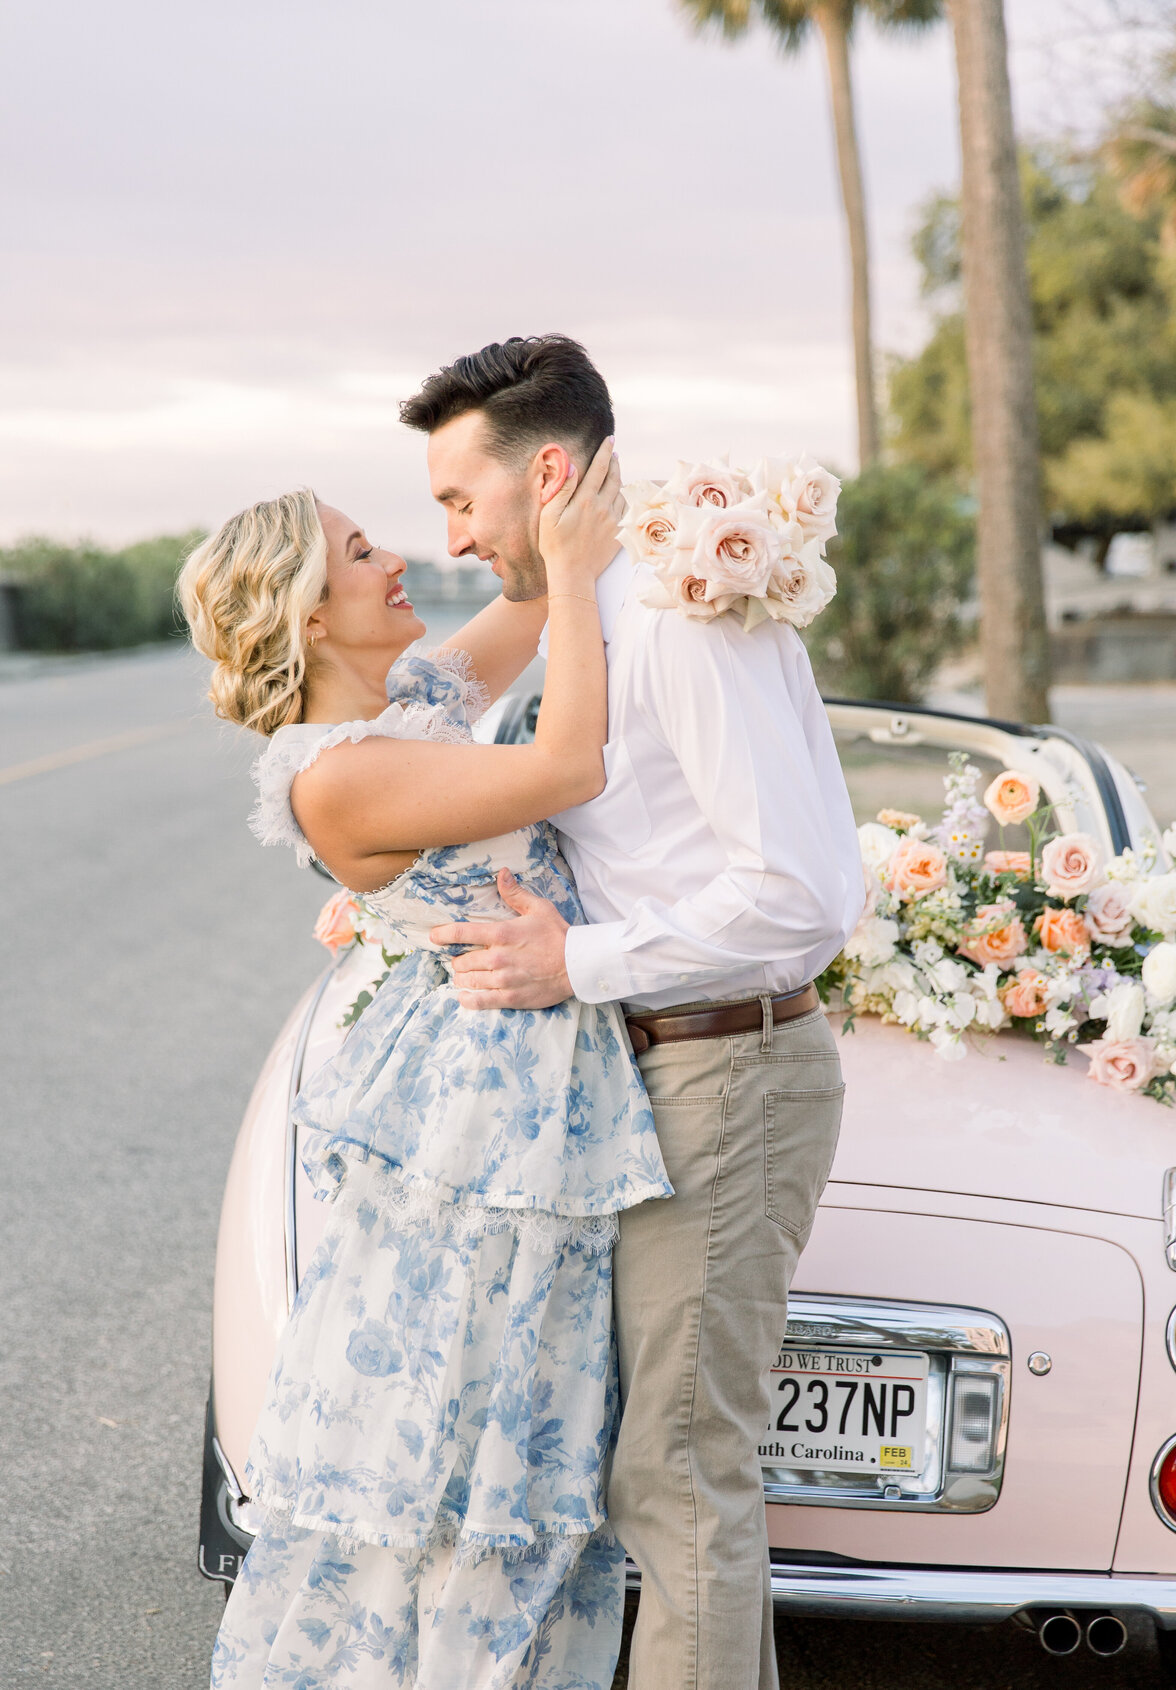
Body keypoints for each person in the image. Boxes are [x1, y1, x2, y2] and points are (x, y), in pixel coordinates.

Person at [405, 334, 865, 1690]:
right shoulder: (594, 618)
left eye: (456, 498)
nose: (448, 532)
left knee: (677, 1469)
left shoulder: (669, 618)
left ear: (547, 474)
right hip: (665, 1072)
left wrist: (578, 963)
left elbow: (799, 896)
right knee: (668, 1467)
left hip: (732, 1067)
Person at [178, 440, 672, 1689]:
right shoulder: (338, 778)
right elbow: (567, 765)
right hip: (482, 1110)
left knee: (528, 1416)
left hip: (538, 1065)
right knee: (464, 1434)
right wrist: (565, 569)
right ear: (305, 611)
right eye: (360, 552)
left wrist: (564, 490)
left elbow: (520, 604)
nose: (398, 554)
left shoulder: (412, 698)